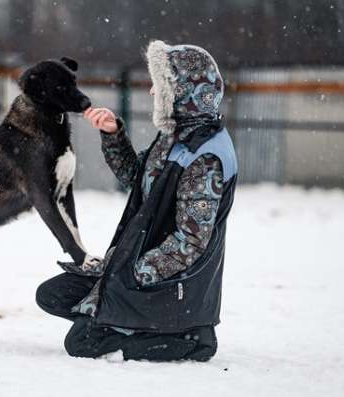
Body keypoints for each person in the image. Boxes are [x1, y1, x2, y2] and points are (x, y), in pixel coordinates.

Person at [36, 40, 238, 362]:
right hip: (140, 267)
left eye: (160, 86)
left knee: (81, 343)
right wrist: (113, 134)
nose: (152, 93)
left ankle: (188, 337)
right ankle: (126, 323)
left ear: (183, 92)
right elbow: (137, 177)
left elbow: (190, 243)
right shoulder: (176, 135)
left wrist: (131, 274)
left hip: (173, 286)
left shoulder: (205, 157)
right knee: (52, 295)